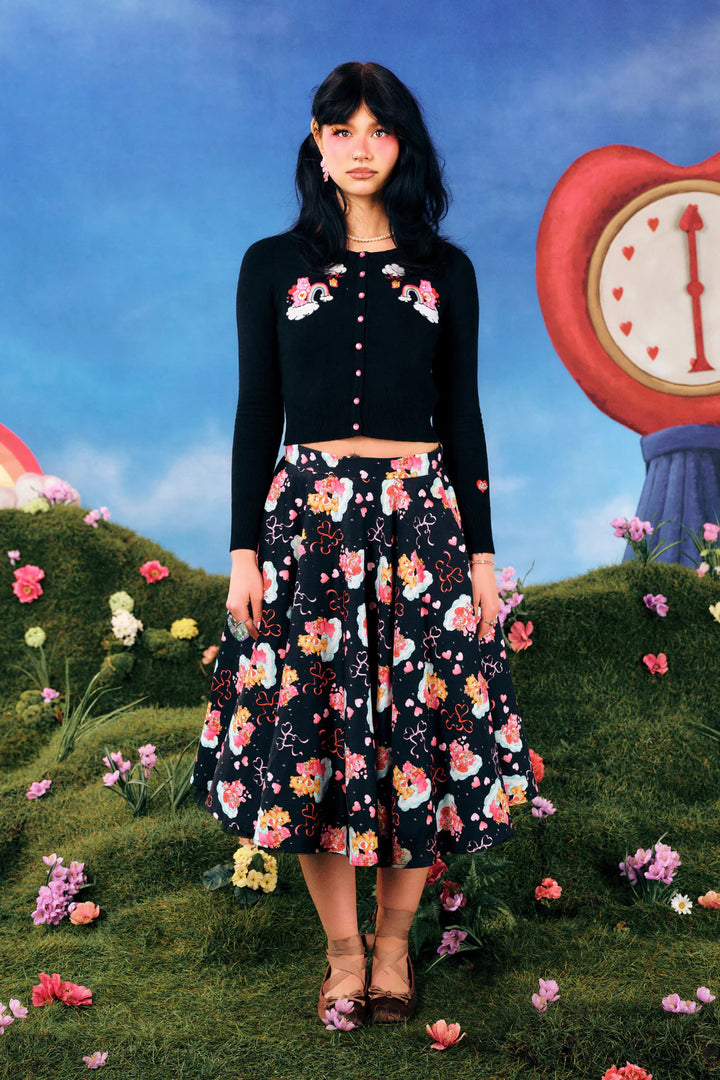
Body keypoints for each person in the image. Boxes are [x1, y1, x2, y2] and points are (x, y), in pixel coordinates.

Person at [192, 60, 539, 1027]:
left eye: (376, 131)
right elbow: (256, 411)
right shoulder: (270, 264)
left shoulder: (446, 269)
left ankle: (396, 951)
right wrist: (243, 553)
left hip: (424, 521)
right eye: (339, 129)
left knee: (416, 736)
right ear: (314, 138)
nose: (357, 148)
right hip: (304, 522)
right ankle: (342, 955)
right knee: (312, 739)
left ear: (402, 143)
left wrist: (479, 558)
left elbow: (463, 414)